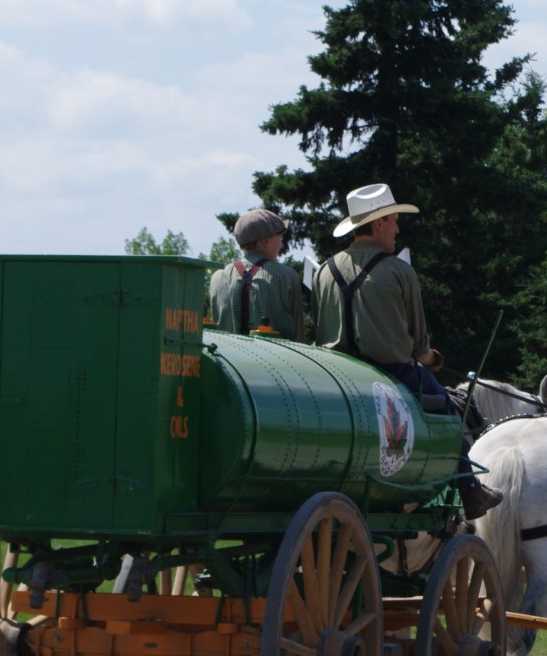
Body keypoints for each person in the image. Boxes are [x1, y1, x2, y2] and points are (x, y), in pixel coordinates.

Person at [314, 182, 502, 520]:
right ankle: (470, 490)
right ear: (380, 222)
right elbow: (418, 346)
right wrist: (434, 362)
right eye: (395, 220)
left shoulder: (325, 272)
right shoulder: (400, 271)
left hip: (335, 375)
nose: (398, 228)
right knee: (447, 411)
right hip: (393, 372)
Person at [207, 208, 308, 340]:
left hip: (227, 359)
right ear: (265, 242)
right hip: (275, 359)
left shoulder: (218, 278)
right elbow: (298, 338)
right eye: (279, 238)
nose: (282, 244)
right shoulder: (286, 276)